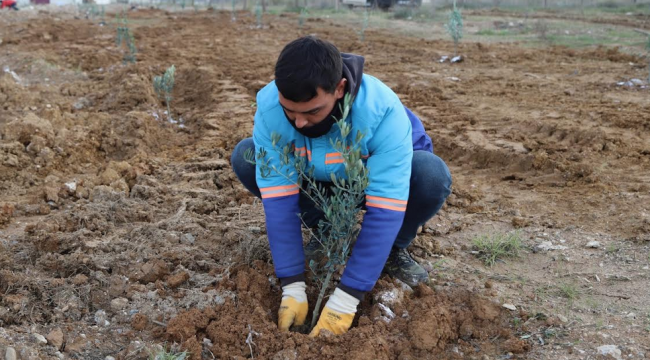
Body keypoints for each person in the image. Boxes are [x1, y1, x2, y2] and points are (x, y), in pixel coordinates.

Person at [231, 36, 452, 336]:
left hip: (378, 183)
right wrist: (292, 285)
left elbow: (385, 209)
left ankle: (393, 249)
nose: (298, 123)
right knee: (247, 158)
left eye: (312, 112)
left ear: (339, 90)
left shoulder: (382, 111)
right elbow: (279, 203)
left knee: (430, 174)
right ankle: (326, 234)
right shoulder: (270, 108)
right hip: (318, 183)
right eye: (290, 111)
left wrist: (347, 299)